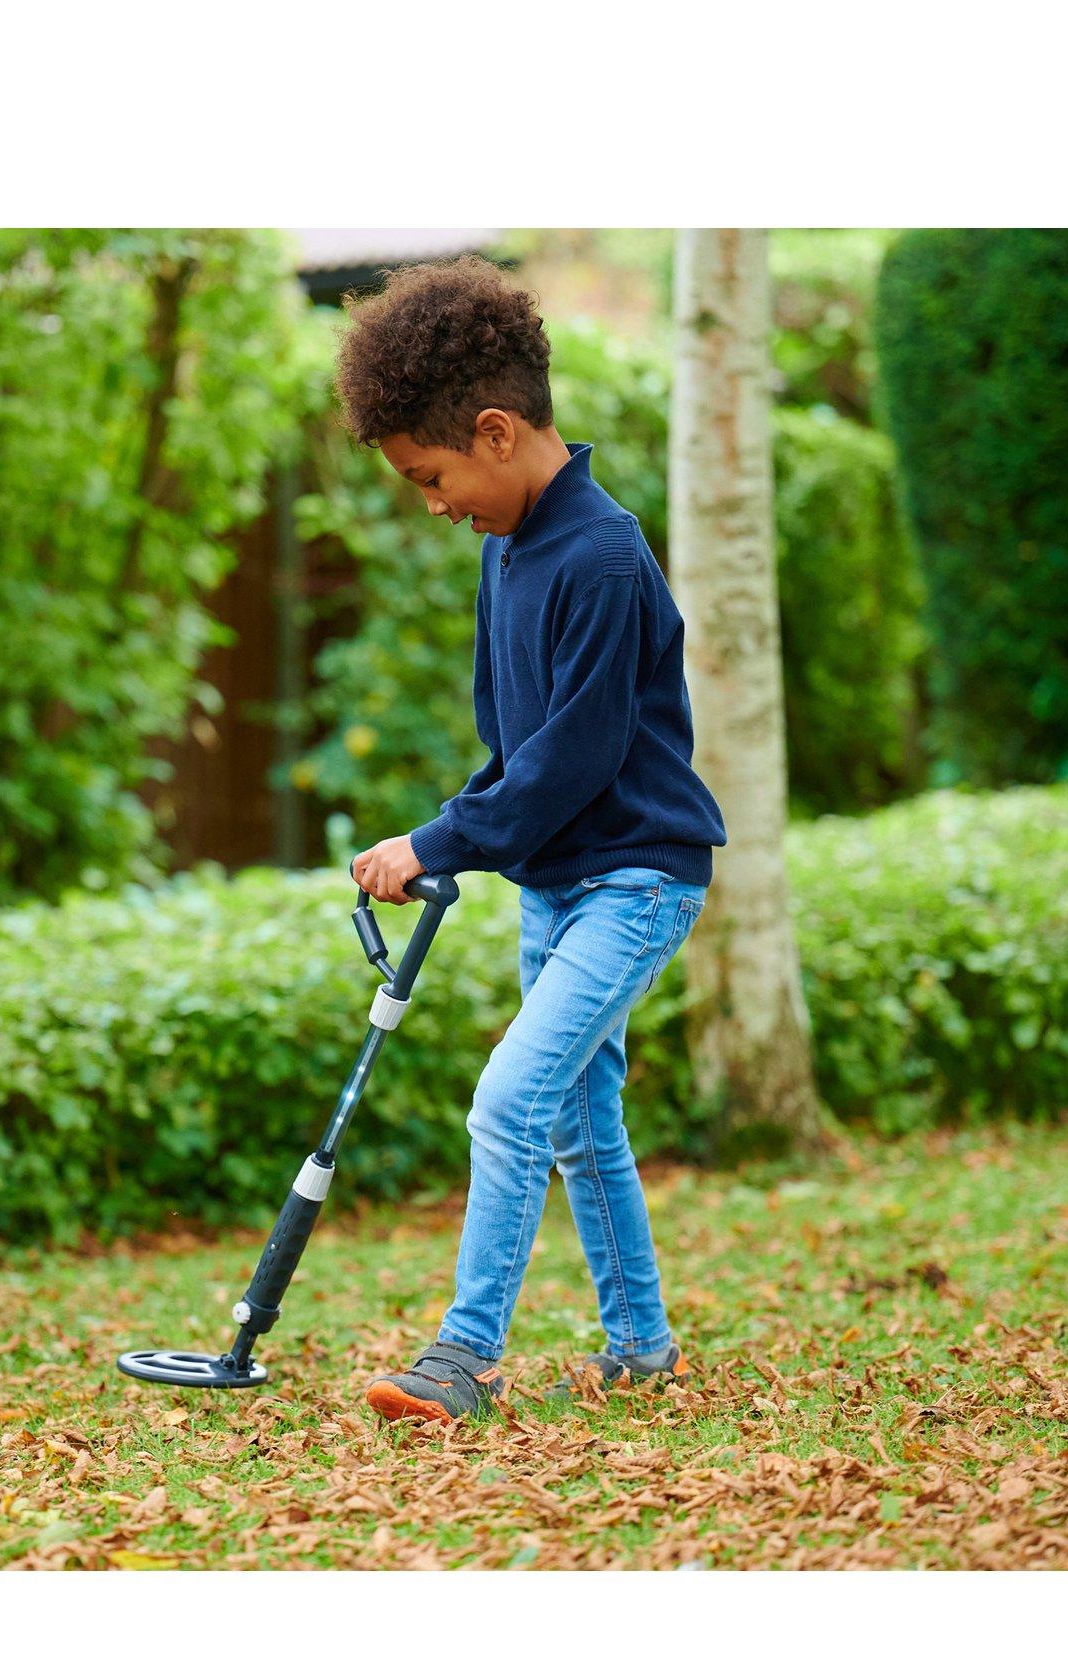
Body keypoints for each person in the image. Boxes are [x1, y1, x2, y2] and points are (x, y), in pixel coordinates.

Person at [336, 256, 727, 1422]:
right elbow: (515, 749)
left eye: (432, 474)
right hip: (560, 885)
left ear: (497, 432)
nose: (432, 502)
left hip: (637, 880)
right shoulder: (507, 552)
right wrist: (437, 834)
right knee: (571, 1113)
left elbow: (577, 759)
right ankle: (641, 1346)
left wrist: (443, 842)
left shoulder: (604, 558)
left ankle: (464, 1357)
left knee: (509, 1099)